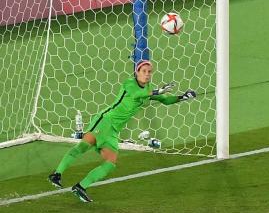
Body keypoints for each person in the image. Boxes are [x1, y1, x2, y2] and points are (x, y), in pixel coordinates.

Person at [48, 60, 197, 202]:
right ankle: (56, 174)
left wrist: (182, 97)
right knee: (83, 147)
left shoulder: (148, 90)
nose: (147, 74)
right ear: (137, 72)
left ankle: (80, 187)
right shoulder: (129, 83)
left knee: (110, 163)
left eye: (149, 72)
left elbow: (165, 100)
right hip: (105, 121)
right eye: (144, 71)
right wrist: (156, 91)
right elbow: (136, 95)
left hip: (114, 131)